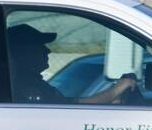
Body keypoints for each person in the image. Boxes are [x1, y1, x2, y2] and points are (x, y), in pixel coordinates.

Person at [7, 23, 139, 105]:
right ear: (23, 52)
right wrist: (115, 91)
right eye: (39, 46)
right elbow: (74, 105)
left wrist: (112, 99)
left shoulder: (29, 82)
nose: (47, 50)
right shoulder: (26, 87)